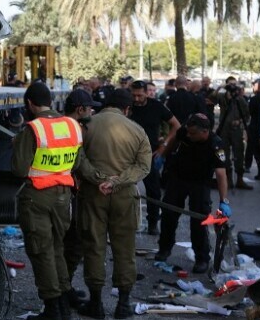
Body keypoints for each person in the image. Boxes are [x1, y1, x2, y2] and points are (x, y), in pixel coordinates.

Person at [76, 89, 151, 320]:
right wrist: (117, 182)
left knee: (94, 245)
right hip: (124, 195)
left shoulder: (87, 125)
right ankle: (124, 305)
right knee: (124, 248)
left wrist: (99, 179)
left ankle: (96, 304)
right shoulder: (137, 130)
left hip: (92, 194)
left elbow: (78, 158)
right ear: (127, 109)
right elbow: (143, 167)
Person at [12, 82, 84, 320]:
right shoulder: (72, 125)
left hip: (37, 197)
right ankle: (63, 305)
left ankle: (53, 310)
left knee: (42, 251)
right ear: (51, 102)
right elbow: (75, 162)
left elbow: (20, 170)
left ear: (30, 104)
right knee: (57, 248)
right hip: (63, 197)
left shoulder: (33, 129)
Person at [154, 114, 230, 273]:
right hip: (178, 178)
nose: (188, 135)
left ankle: (201, 258)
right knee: (169, 214)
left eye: (193, 133)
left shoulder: (215, 144)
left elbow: (221, 174)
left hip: (200, 182)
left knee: (200, 220)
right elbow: (175, 139)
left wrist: (224, 201)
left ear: (205, 131)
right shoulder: (185, 131)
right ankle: (164, 249)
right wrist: (163, 155)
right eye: (188, 132)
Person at [61, 89, 100, 308]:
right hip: (68, 194)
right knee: (73, 244)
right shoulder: (74, 129)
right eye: (89, 108)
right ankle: (62, 293)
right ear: (80, 109)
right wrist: (104, 180)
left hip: (58, 193)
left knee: (68, 245)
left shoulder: (58, 125)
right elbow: (80, 163)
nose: (91, 111)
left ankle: (63, 290)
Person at [128, 80, 181, 235]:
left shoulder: (156, 106)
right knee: (124, 188)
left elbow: (176, 125)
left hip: (149, 154)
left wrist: (164, 144)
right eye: (134, 95)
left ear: (146, 92)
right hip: (128, 154)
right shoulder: (127, 107)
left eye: (139, 95)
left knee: (154, 191)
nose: (136, 98)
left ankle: (152, 223)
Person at [216, 84, 252, 189]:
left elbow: (247, 115)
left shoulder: (240, 100)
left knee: (239, 153)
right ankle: (228, 179)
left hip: (236, 131)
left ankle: (239, 179)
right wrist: (221, 87)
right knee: (223, 154)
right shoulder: (222, 99)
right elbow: (212, 96)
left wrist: (239, 121)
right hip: (224, 130)